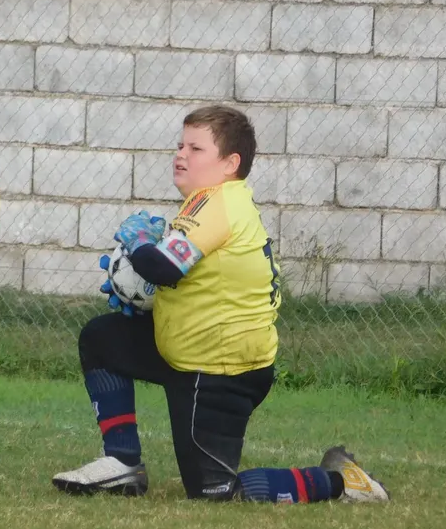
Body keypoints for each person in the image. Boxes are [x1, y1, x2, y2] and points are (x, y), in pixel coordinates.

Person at [51, 106, 389, 504]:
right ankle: (122, 464)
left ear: (231, 163)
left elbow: (161, 269)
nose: (181, 154)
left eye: (196, 148)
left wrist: (139, 244)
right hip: (192, 354)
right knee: (102, 338)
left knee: (216, 492)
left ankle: (342, 482)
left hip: (220, 373)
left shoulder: (217, 203)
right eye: (180, 144)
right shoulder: (216, 201)